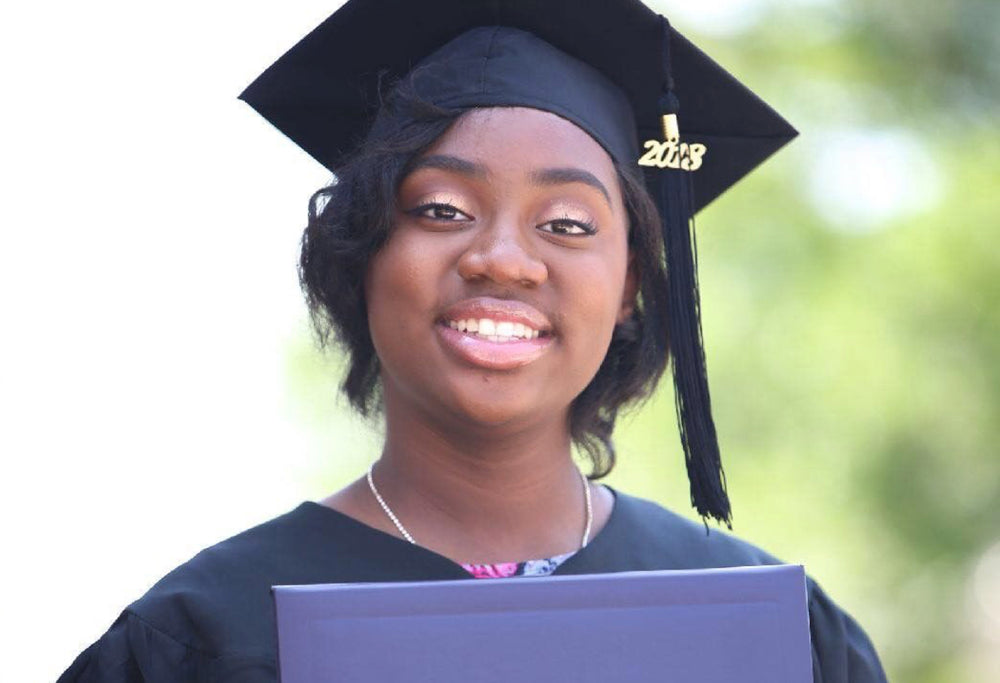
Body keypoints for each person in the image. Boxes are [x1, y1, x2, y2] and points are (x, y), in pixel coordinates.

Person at [59, 0, 888, 681]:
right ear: (363, 251)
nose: (502, 259)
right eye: (443, 210)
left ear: (629, 286)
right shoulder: (202, 637)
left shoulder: (775, 635)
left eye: (567, 223)